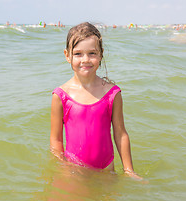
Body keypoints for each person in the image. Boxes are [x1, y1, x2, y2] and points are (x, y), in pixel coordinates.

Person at [50, 22, 141, 179]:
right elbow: (56, 139)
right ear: (67, 55)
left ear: (101, 54)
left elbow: (120, 134)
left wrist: (129, 170)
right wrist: (63, 168)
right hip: (74, 171)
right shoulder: (61, 96)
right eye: (78, 54)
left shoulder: (112, 93)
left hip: (106, 170)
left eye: (92, 53)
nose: (85, 59)